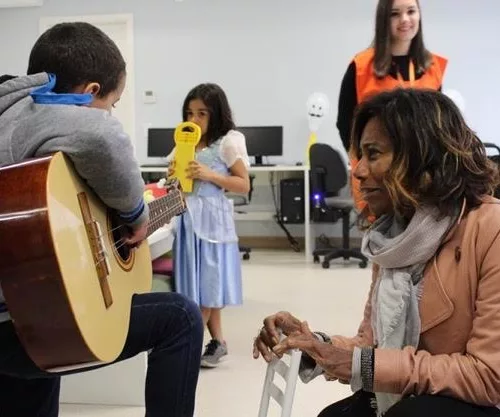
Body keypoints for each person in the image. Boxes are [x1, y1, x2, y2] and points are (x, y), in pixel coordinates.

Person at [253, 88, 500, 417]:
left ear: (421, 157)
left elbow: (488, 377)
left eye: (373, 154)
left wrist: (361, 364)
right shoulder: (392, 237)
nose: (356, 171)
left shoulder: (490, 229)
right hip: (416, 395)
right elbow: (372, 347)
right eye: (359, 155)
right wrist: (312, 344)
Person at [0, 22, 203, 417]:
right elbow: (101, 137)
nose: (109, 113)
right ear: (89, 91)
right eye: (112, 103)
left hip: (24, 306)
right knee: (181, 318)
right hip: (17, 326)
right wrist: (135, 214)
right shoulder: (40, 115)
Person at [337, 0, 447, 217]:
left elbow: (438, 126)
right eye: (395, 14)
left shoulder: (432, 66)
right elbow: (345, 123)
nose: (405, 19)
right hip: (378, 174)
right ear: (383, 19)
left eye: (411, 11)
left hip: (422, 174)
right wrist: (365, 162)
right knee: (381, 239)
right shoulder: (361, 66)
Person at [168, 83, 250, 368]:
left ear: (216, 114)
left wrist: (208, 174)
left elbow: (243, 184)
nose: (194, 120)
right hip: (188, 221)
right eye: (189, 113)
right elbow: (179, 183)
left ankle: (187, 345)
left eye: (202, 114)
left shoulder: (227, 142)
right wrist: (174, 175)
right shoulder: (185, 143)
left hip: (213, 224)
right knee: (196, 286)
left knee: (210, 283)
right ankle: (218, 342)